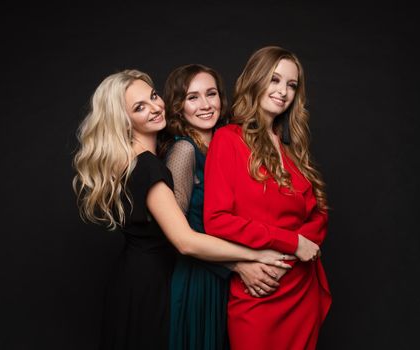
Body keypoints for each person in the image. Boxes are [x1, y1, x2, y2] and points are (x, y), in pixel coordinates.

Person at [72, 69, 291, 350]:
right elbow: (184, 241)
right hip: (150, 287)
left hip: (142, 282)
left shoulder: (142, 161)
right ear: (123, 121)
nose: (154, 107)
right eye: (140, 107)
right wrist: (253, 257)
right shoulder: (148, 167)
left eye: (153, 97)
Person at [203, 46, 332, 350]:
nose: (283, 91)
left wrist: (299, 246)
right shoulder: (228, 139)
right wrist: (291, 243)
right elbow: (217, 221)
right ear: (255, 80)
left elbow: (319, 215)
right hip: (260, 290)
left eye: (291, 85)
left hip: (301, 290)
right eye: (274, 80)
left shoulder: (292, 151)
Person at [161, 64, 287, 350]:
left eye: (211, 94)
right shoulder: (184, 150)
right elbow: (176, 235)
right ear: (178, 107)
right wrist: (239, 263)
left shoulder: (229, 142)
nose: (205, 105)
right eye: (193, 98)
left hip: (228, 279)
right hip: (199, 278)